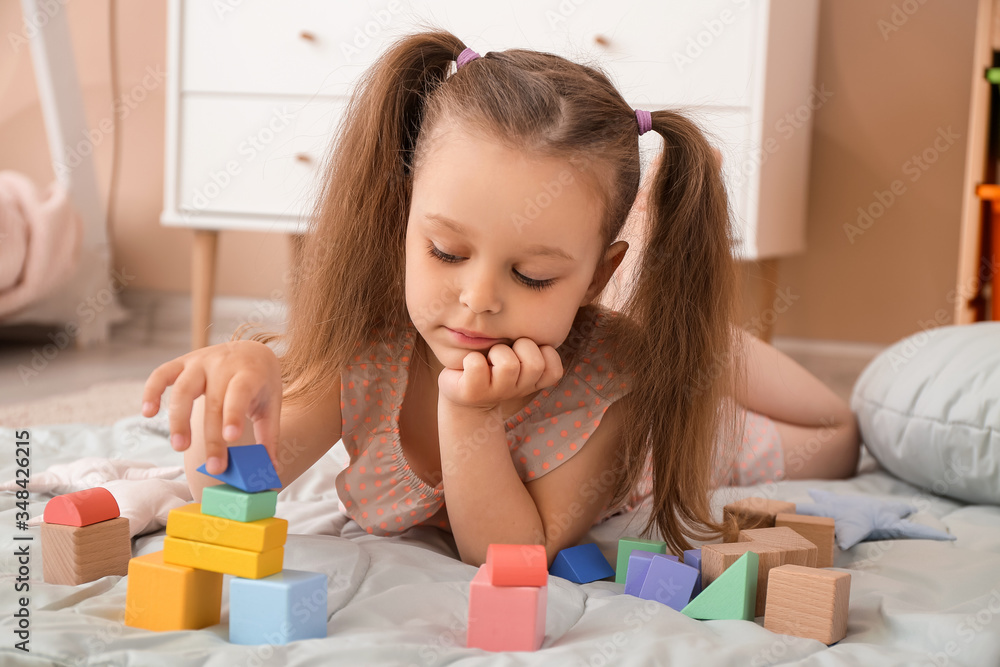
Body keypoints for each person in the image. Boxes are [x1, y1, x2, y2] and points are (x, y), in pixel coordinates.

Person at [141, 31, 860, 567]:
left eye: (534, 276)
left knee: (835, 435)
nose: (477, 300)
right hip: (596, 304)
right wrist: (248, 396)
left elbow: (509, 554)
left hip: (648, 409)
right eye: (446, 253)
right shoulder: (374, 345)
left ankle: (679, 326)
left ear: (595, 274)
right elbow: (226, 496)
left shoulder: (610, 383)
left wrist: (469, 414)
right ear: (401, 220)